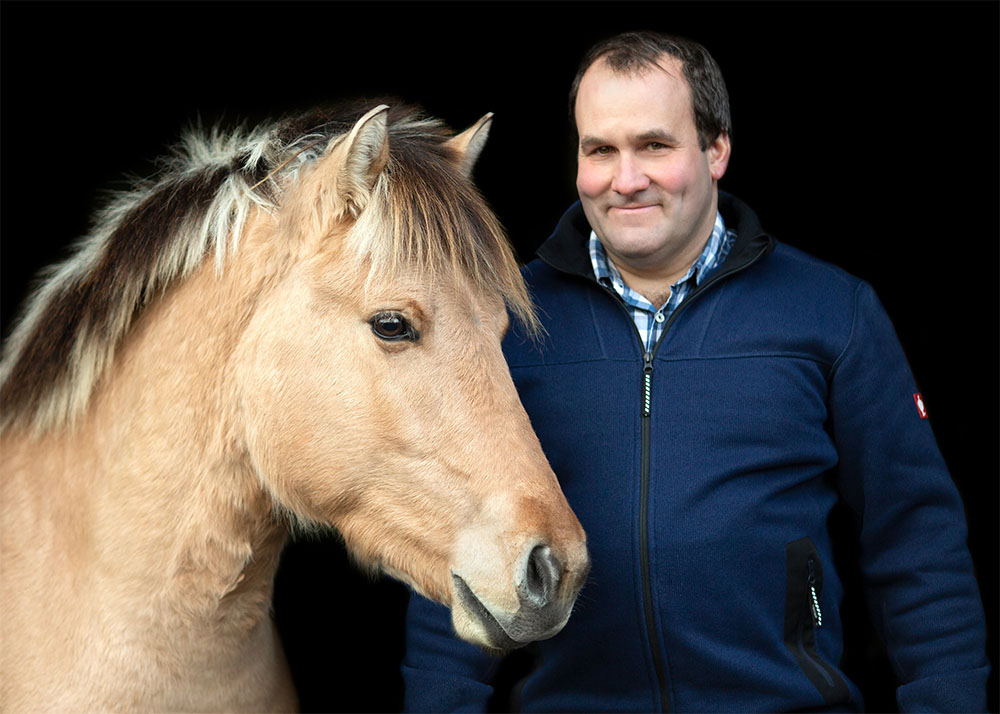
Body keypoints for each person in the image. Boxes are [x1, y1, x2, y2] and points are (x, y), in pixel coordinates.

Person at [401, 31, 989, 712]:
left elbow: (915, 538)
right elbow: (460, 542)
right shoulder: (505, 326)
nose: (625, 179)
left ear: (716, 150)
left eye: (654, 145)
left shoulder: (831, 313)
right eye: (600, 151)